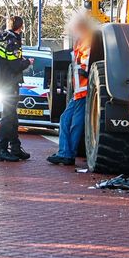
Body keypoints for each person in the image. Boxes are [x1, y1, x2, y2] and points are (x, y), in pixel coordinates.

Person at [48, 14, 94, 166]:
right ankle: (66, 153)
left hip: (83, 90)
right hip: (80, 91)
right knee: (70, 121)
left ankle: (66, 154)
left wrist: (83, 72)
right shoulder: (82, 40)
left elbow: (85, 63)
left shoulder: (86, 40)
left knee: (70, 121)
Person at [0, 16, 32, 162]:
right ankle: (2, 149)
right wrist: (27, 62)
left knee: (12, 115)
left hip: (0, 79)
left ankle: (15, 147)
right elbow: (14, 64)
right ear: (21, 27)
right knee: (8, 116)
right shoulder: (12, 40)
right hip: (9, 82)